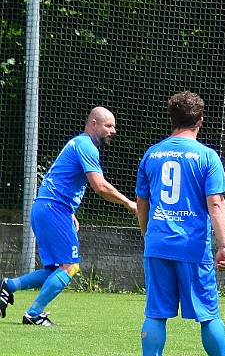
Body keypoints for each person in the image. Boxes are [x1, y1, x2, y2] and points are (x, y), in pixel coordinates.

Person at [135, 91, 225, 356]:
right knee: (208, 314)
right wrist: (224, 246)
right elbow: (216, 203)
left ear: (171, 119)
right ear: (200, 120)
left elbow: (142, 202)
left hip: (157, 244)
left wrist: (148, 234)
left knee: (156, 311)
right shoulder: (207, 156)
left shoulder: (152, 154)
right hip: (193, 247)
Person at [0, 107, 137, 325]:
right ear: (93, 123)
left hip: (46, 208)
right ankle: (33, 314)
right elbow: (99, 186)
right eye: (108, 125)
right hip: (54, 209)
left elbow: (63, 177)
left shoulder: (79, 143)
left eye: (114, 126)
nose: (113, 131)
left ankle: (9, 285)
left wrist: (70, 212)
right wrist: (130, 203)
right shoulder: (86, 146)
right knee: (70, 267)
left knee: (56, 269)